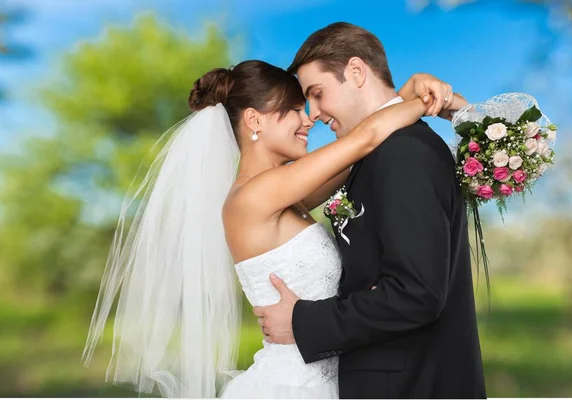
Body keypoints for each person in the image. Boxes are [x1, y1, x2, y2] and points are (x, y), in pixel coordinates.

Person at [83, 58, 464, 398]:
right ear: (254, 120)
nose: (309, 119)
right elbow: (363, 140)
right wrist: (425, 102)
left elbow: (355, 148)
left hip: (331, 377)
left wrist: (400, 97)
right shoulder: (255, 196)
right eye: (294, 110)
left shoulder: (286, 196)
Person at [254, 22, 487, 399]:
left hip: (412, 385)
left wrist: (302, 321)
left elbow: (416, 293)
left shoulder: (403, 153)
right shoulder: (375, 153)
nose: (313, 114)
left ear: (356, 72)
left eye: (317, 93)